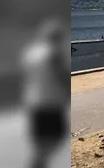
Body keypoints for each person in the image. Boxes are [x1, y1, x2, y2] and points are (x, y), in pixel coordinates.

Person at [22, 18, 68, 168]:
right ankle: (38, 163)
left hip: (33, 100)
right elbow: (61, 76)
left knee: (41, 140)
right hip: (51, 101)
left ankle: (38, 162)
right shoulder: (54, 54)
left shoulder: (31, 53)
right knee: (56, 137)